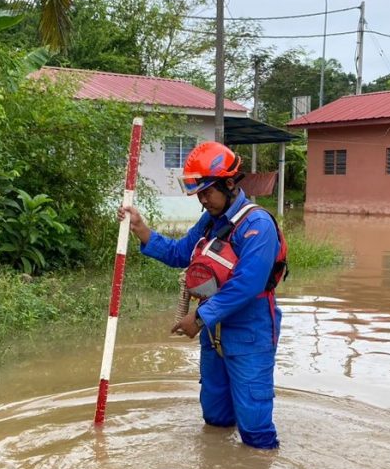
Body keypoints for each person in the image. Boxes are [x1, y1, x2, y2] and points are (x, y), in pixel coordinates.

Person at [119, 141, 285, 449]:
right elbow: (181, 252)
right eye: (200, 194)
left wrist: (198, 317)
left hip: (250, 333)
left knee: (255, 429)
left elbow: (247, 285)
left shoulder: (257, 226)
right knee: (216, 417)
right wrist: (142, 229)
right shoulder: (210, 221)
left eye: (207, 192)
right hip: (215, 334)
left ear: (230, 183)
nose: (203, 200)